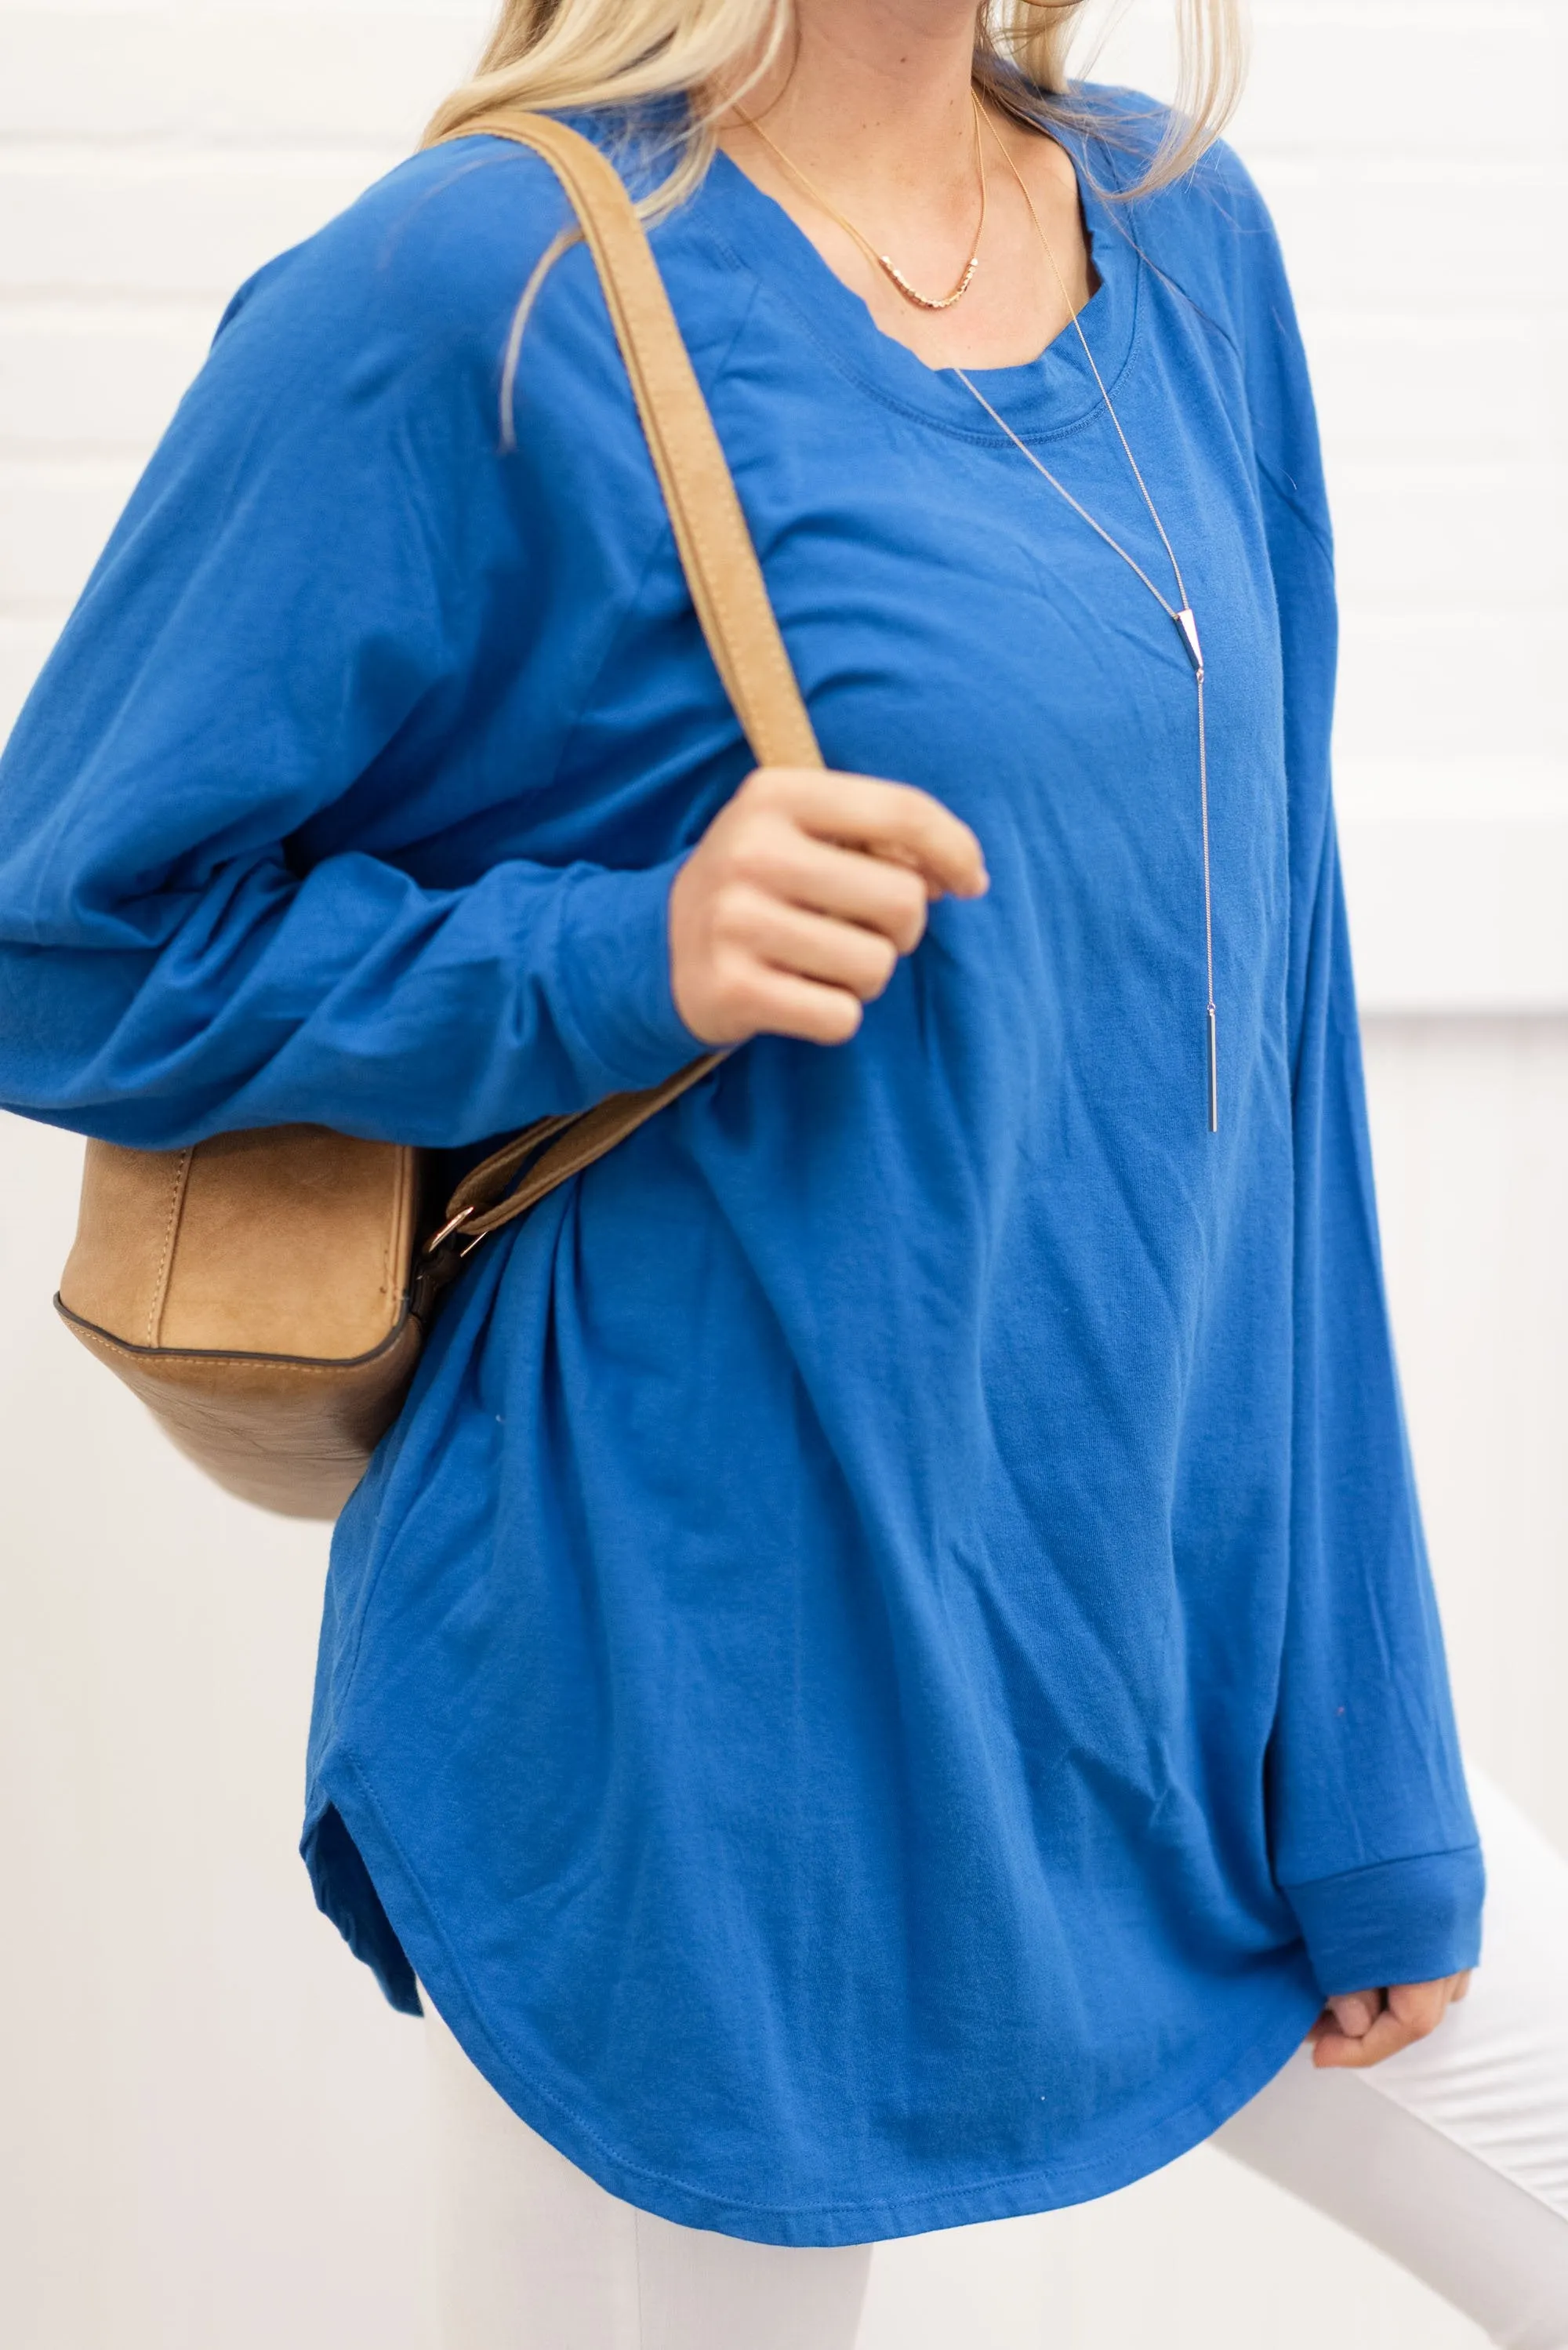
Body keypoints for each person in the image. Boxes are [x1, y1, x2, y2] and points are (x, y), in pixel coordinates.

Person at [0, 0, 1563, 2342]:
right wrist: (622, 948)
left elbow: (1278, 1031)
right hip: (694, 1679)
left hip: (1139, 1620)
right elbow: (65, 939)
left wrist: (1367, 1757)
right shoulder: (487, 283)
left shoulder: (1183, 239)